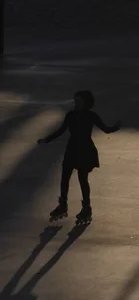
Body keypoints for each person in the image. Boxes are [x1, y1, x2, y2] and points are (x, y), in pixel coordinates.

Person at [37, 90, 121, 223]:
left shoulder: (91, 116)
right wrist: (46, 140)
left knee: (83, 179)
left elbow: (105, 129)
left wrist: (116, 127)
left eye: (79, 101)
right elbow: (61, 130)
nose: (76, 103)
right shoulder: (70, 115)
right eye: (75, 101)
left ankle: (86, 208)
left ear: (86, 103)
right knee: (65, 177)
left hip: (85, 150)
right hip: (72, 149)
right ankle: (63, 205)